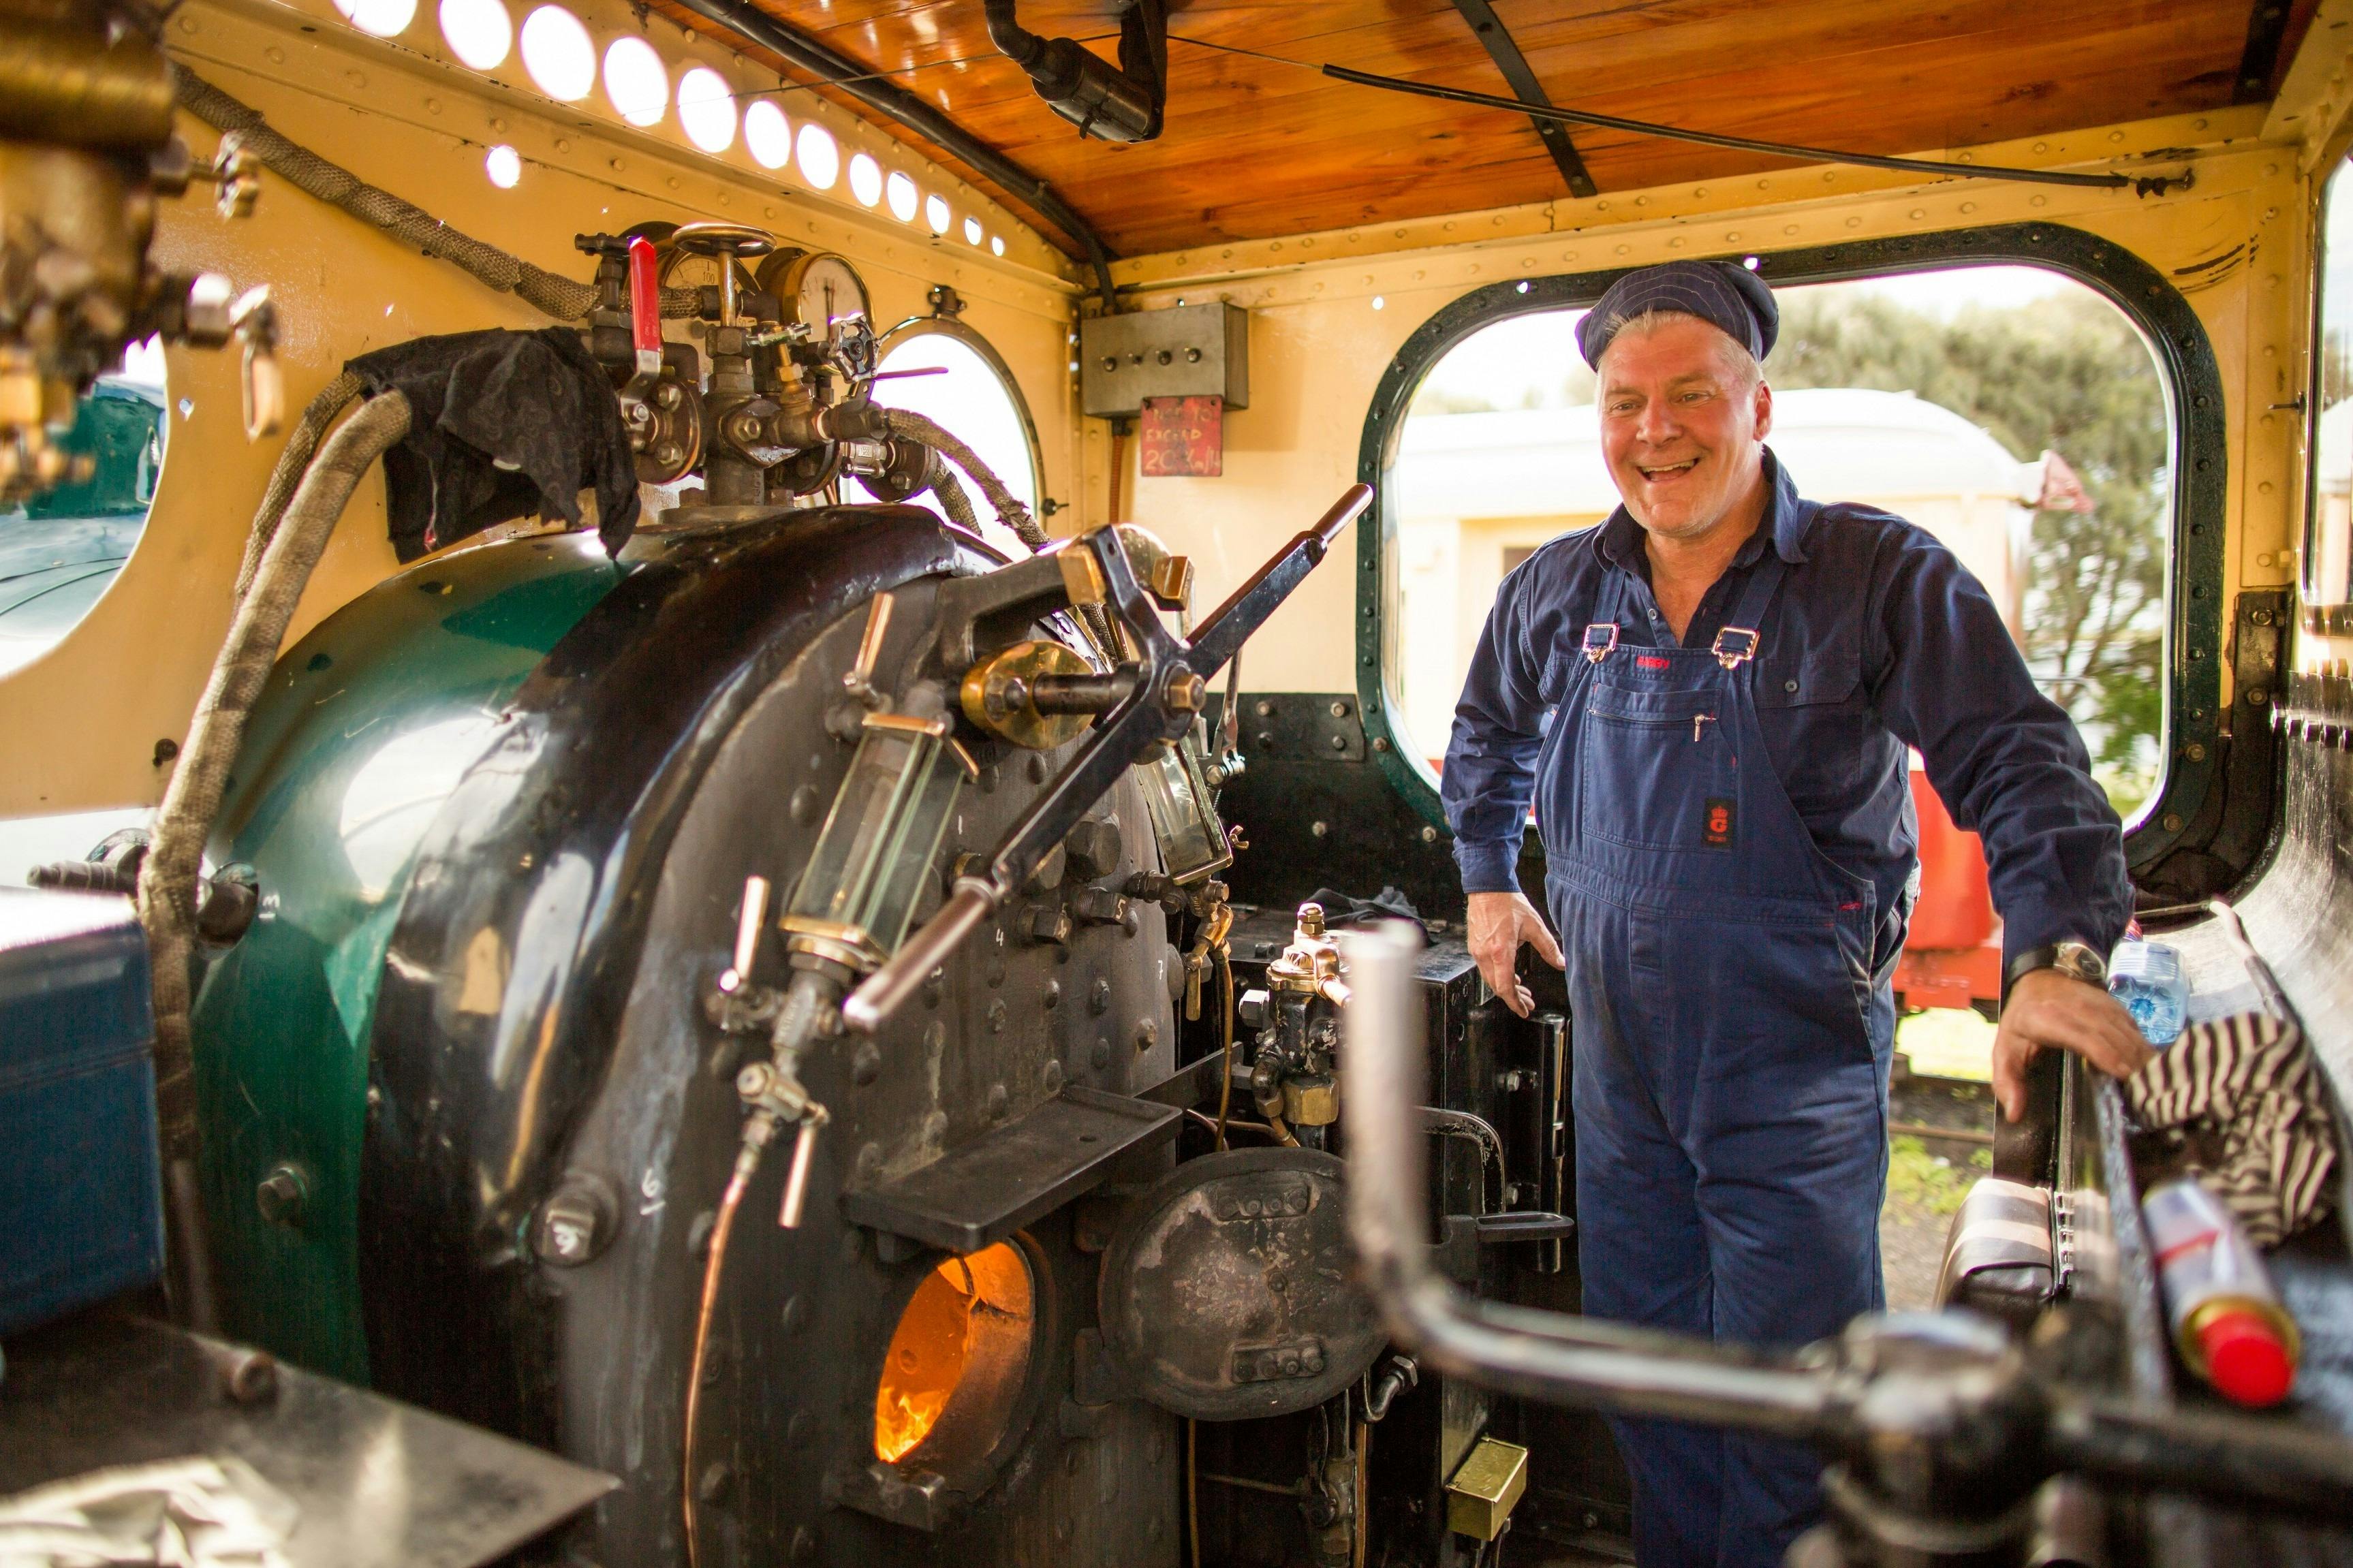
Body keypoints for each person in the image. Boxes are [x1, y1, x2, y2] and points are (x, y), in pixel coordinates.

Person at [1439, 259, 2151, 1566]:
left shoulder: (1874, 574)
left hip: (1794, 1059)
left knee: (1795, 1394)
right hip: (1619, 1069)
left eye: (1690, 395)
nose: (1654, 431)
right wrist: (1489, 878)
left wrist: (2052, 956)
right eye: (1623, 402)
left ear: (1757, 406)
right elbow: (1486, 732)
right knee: (1649, 1377)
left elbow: (2018, 756)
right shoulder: (1558, 586)